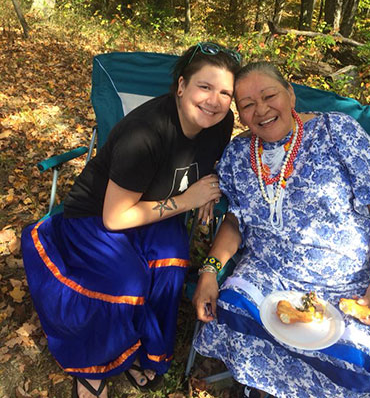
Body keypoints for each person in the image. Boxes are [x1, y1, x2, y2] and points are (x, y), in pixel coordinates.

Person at [21, 42, 241, 398]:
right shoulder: (144, 134)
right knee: (126, 281)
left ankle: (143, 349)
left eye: (225, 92)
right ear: (181, 85)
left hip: (155, 211)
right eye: (205, 86)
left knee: (172, 261)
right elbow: (115, 218)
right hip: (97, 217)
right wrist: (188, 200)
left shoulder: (220, 121)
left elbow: (205, 159)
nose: (214, 100)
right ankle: (94, 365)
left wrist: (209, 188)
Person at [193, 61, 370, 398]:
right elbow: (234, 220)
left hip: (345, 282)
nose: (261, 110)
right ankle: (260, 386)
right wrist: (208, 271)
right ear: (240, 114)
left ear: (290, 94)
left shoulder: (338, 133)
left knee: (359, 356)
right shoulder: (237, 155)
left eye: (269, 95)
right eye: (247, 105)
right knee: (232, 306)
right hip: (268, 273)